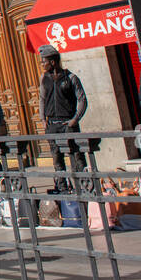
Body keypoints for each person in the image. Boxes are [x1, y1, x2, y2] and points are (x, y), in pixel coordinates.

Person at [37, 44, 88, 190]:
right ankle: (62, 188)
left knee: (76, 155)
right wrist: (42, 119)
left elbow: (82, 99)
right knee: (56, 157)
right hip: (52, 124)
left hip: (68, 123)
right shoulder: (44, 78)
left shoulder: (70, 78)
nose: (42, 64)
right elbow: (42, 98)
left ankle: (83, 187)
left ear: (52, 62)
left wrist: (75, 119)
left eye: (44, 61)